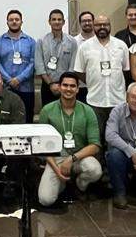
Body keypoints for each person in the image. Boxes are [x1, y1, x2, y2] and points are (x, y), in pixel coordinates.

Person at [36, 72, 103, 207]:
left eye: (72, 86)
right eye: (65, 85)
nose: (68, 89)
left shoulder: (87, 111)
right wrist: (56, 170)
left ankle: (79, 185)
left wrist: (71, 159)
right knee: (45, 200)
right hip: (56, 159)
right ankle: (62, 182)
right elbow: (42, 145)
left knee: (95, 170)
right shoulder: (47, 110)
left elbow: (95, 145)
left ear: (77, 89)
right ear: (59, 87)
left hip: (79, 157)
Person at [73, 14, 131, 136]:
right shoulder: (84, 47)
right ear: (94, 26)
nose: (102, 27)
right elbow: (79, 70)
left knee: (117, 137)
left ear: (110, 26)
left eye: (105, 24)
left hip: (117, 101)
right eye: (98, 25)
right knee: (96, 137)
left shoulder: (121, 45)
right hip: (95, 101)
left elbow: (126, 70)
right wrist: (91, 81)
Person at [0, 10, 37, 121]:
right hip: (4, 88)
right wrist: (9, 80)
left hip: (26, 89)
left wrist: (19, 79)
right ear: (7, 22)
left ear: (21, 22)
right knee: (4, 119)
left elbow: (33, 63)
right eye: (11, 20)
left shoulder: (31, 42)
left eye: (17, 19)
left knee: (26, 119)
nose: (14, 22)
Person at [37, 9, 79, 104]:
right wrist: (51, 84)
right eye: (54, 19)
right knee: (48, 111)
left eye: (59, 19)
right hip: (47, 85)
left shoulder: (72, 42)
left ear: (63, 22)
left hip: (66, 86)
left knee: (67, 110)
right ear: (49, 22)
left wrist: (64, 85)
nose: (57, 22)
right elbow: (39, 66)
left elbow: (72, 66)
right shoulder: (41, 41)